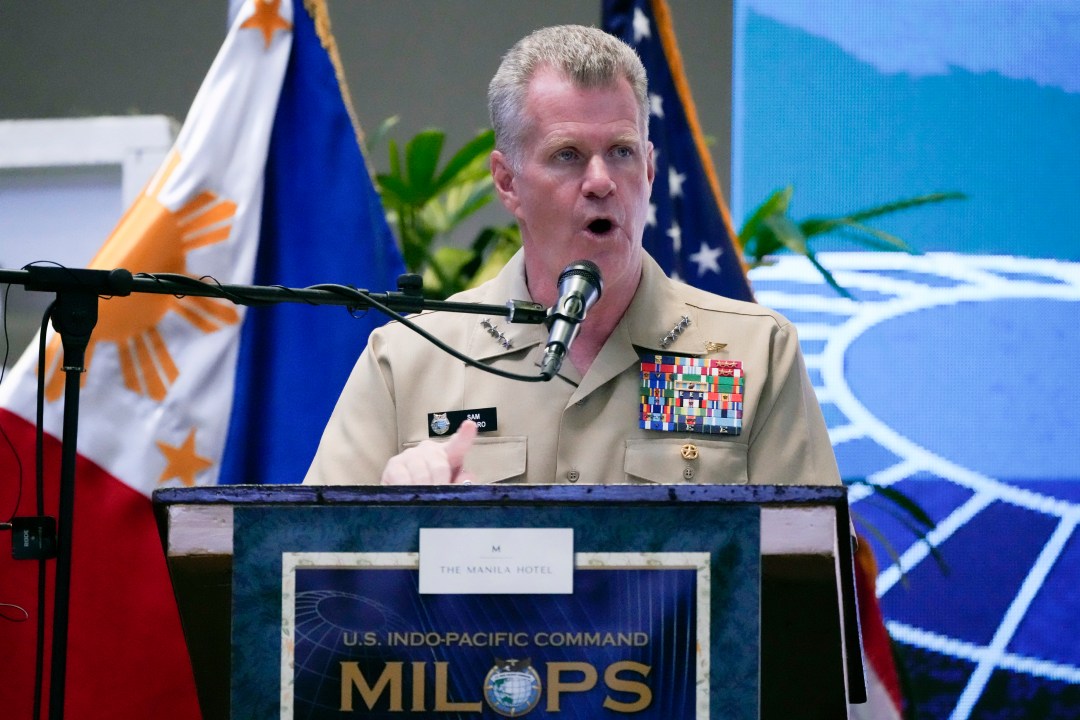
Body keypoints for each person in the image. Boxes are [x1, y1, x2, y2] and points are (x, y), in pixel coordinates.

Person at [303, 25, 839, 488]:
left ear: (650, 171)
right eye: (568, 155)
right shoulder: (412, 357)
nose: (601, 181)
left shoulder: (754, 354)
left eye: (622, 152)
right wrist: (384, 513)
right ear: (507, 181)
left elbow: (810, 580)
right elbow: (311, 571)